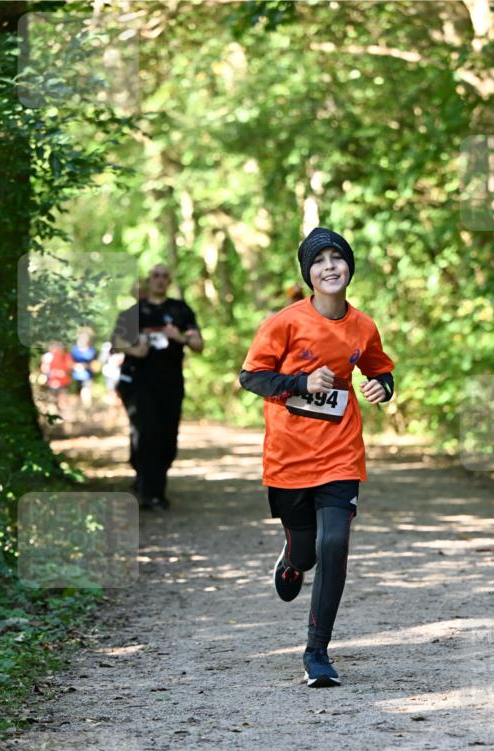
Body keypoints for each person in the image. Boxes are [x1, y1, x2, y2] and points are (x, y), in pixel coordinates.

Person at [240, 227, 395, 687]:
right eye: (319, 260)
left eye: (337, 258)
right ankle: (291, 559)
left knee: (334, 544)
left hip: (340, 453)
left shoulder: (363, 326)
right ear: (309, 273)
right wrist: (300, 383)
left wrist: (381, 388)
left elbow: (381, 370)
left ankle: (317, 653)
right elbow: (251, 377)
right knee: (307, 552)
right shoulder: (284, 323)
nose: (330, 266)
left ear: (349, 267)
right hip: (288, 457)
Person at [111, 264, 203, 510]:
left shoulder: (180, 310)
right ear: (149, 280)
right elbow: (115, 341)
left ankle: (154, 485)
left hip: (170, 382)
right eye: (155, 276)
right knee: (145, 433)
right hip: (139, 383)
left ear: (169, 281)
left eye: (164, 276)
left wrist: (180, 338)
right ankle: (149, 491)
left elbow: (198, 344)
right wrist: (136, 349)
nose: (160, 280)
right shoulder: (134, 312)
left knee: (167, 438)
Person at [40, 341, 73, 412]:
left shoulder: (66, 356)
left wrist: (63, 373)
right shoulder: (47, 357)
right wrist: (55, 373)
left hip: (64, 382)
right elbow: (44, 369)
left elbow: (70, 367)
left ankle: (63, 412)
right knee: (52, 398)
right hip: (51, 382)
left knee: (62, 398)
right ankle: (53, 411)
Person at [70, 327, 98, 408]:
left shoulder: (92, 351)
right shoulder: (74, 350)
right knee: (76, 393)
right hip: (75, 376)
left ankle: (86, 408)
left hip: (87, 376)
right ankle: (76, 408)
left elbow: (95, 366)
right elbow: (68, 362)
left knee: (86, 392)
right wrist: (75, 366)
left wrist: (86, 366)